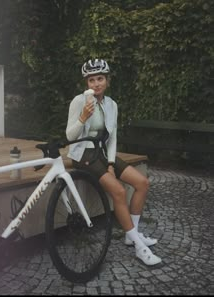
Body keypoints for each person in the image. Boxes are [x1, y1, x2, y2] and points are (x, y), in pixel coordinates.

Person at [66, 58, 162, 266]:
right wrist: (82, 118)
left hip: (101, 153)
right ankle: (139, 246)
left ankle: (131, 234)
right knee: (118, 191)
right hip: (83, 154)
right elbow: (70, 136)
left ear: (107, 81)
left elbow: (113, 137)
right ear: (87, 83)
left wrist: (111, 163)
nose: (96, 84)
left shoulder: (111, 104)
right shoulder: (79, 102)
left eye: (100, 79)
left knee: (142, 183)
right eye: (91, 80)